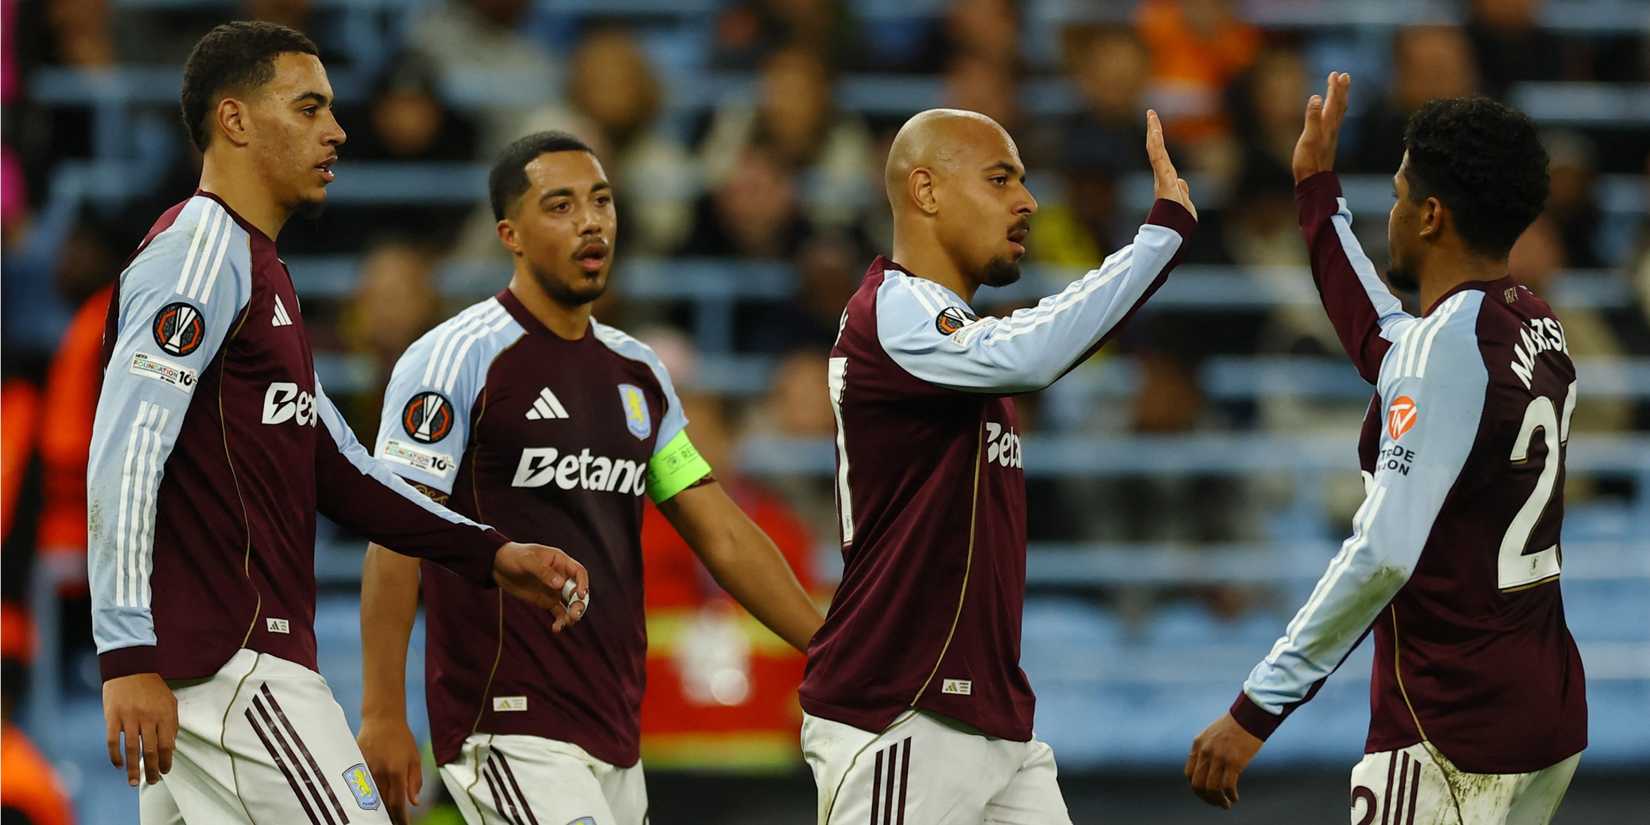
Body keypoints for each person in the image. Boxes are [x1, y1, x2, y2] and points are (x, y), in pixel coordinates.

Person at [87, 22, 590, 825]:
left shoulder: (261, 273)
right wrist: (125, 653)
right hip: (233, 660)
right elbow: (125, 450)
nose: (337, 129)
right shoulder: (197, 253)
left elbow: (345, 470)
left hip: (225, 665)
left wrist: (492, 553)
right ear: (236, 120)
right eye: (309, 107)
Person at [355, 131, 824, 825]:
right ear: (510, 234)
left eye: (601, 201)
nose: (590, 220)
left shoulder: (639, 375)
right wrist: (383, 713)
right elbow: (395, 536)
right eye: (562, 205)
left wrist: (832, 649)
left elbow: (721, 531)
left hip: (614, 732)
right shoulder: (455, 358)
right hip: (508, 726)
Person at [1186, 74, 1586, 824]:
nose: (1393, 212)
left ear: (1431, 215)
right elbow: (1384, 338)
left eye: (1401, 194)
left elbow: (1382, 553)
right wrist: (1316, 193)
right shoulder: (1536, 323)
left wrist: (1254, 709)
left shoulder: (1445, 346)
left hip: (1450, 729)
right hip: (1545, 712)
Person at [801, 107, 1197, 824]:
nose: (1028, 201)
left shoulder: (953, 341)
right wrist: (1157, 238)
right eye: (999, 178)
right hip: (903, 711)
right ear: (925, 190)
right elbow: (1029, 352)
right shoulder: (895, 309)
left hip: (991, 719)